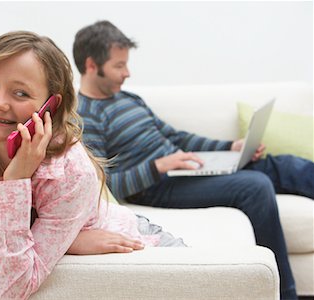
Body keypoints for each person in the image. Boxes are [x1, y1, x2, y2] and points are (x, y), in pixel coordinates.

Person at [73, 20, 314, 300]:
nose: (127, 73)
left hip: (181, 170)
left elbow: (178, 137)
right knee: (255, 185)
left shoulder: (129, 99)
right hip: (157, 186)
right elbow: (104, 183)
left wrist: (230, 147)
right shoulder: (86, 116)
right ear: (91, 65)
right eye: (119, 66)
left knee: (281, 165)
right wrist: (158, 166)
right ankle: (285, 295)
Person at [0, 31, 185, 300]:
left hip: (137, 241)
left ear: (50, 106)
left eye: (21, 92)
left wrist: (13, 184)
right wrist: (66, 242)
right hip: (87, 231)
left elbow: (15, 285)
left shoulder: (69, 171)